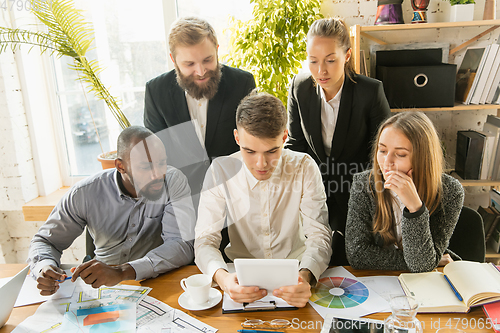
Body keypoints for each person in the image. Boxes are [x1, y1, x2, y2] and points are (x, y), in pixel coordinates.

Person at [194, 91, 332, 308]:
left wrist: (305, 277)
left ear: (285, 137)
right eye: (249, 151)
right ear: (237, 138)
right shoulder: (220, 171)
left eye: (271, 151)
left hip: (295, 274)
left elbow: (319, 235)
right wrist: (223, 279)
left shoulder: (304, 167)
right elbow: (204, 240)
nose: (261, 164)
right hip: (238, 279)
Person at [28, 126, 195, 296]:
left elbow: (182, 244)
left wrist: (122, 272)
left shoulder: (173, 182)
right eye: (146, 167)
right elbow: (46, 241)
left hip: (154, 281)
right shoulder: (85, 193)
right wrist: (44, 267)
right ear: (120, 166)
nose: (157, 175)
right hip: (101, 288)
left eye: (162, 163)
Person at [286, 18, 391, 266]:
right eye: (313, 61)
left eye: (330, 60)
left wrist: (362, 196)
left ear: (347, 55)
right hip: (314, 190)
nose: (321, 70)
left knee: (351, 262)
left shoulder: (370, 91)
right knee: (309, 259)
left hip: (360, 189)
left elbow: (383, 152)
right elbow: (295, 145)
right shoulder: (299, 88)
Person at [345, 112, 464, 272]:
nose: (387, 163)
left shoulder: (450, 191)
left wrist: (414, 207)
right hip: (380, 282)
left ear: (423, 157)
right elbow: (357, 255)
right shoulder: (364, 184)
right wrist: (430, 260)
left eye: (400, 154)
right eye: (382, 151)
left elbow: (421, 265)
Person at [143, 16, 256, 160]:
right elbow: (156, 155)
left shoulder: (242, 83)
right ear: (173, 60)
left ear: (216, 50)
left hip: (234, 179)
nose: (201, 72)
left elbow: (253, 144)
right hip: (180, 182)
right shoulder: (156, 92)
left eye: (207, 60)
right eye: (189, 64)